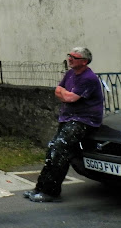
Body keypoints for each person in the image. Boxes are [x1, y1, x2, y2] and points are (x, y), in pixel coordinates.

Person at [24, 47, 104, 202]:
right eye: (69, 55)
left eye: (74, 57)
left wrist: (64, 94)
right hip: (68, 118)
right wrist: (64, 93)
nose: (70, 58)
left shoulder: (89, 78)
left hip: (84, 120)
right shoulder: (70, 74)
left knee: (60, 149)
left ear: (84, 61)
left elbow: (70, 98)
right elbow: (58, 91)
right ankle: (40, 188)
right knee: (53, 148)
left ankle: (50, 192)